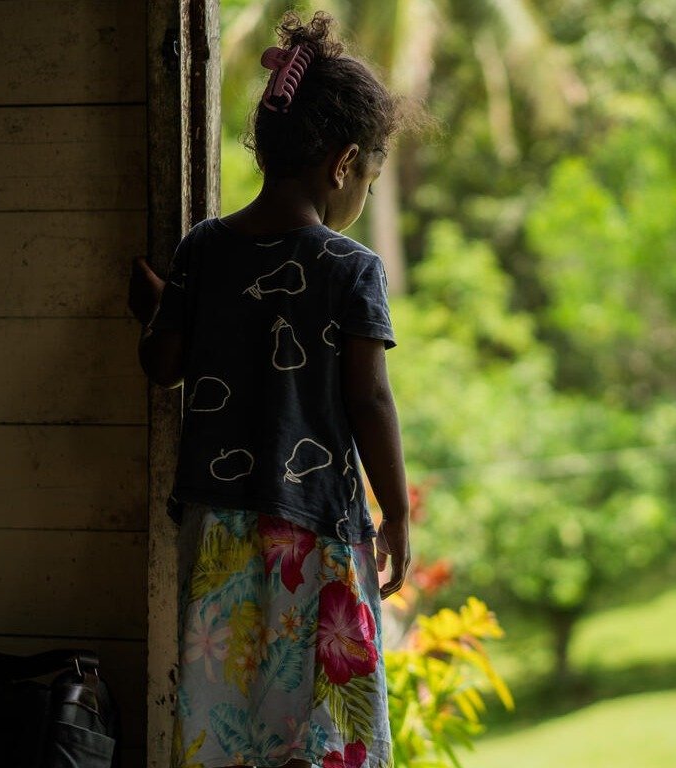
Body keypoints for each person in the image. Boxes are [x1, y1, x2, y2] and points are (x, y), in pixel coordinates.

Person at [128, 11, 421, 768]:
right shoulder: (350, 268)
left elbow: (163, 365)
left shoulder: (204, 250)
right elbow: (370, 402)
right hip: (315, 531)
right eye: (368, 177)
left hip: (216, 528)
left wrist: (159, 304)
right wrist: (394, 514)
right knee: (321, 719)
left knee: (225, 713)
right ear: (344, 163)